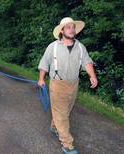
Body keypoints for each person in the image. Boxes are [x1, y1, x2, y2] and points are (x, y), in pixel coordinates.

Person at [37, 17, 98, 154]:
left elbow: (87, 63)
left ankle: (54, 126)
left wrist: (92, 76)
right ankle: (67, 144)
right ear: (62, 30)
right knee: (62, 114)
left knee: (66, 110)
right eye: (68, 27)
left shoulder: (80, 47)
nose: (71, 29)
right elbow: (44, 64)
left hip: (74, 84)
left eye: (73, 27)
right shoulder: (52, 47)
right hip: (57, 85)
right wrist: (41, 79)